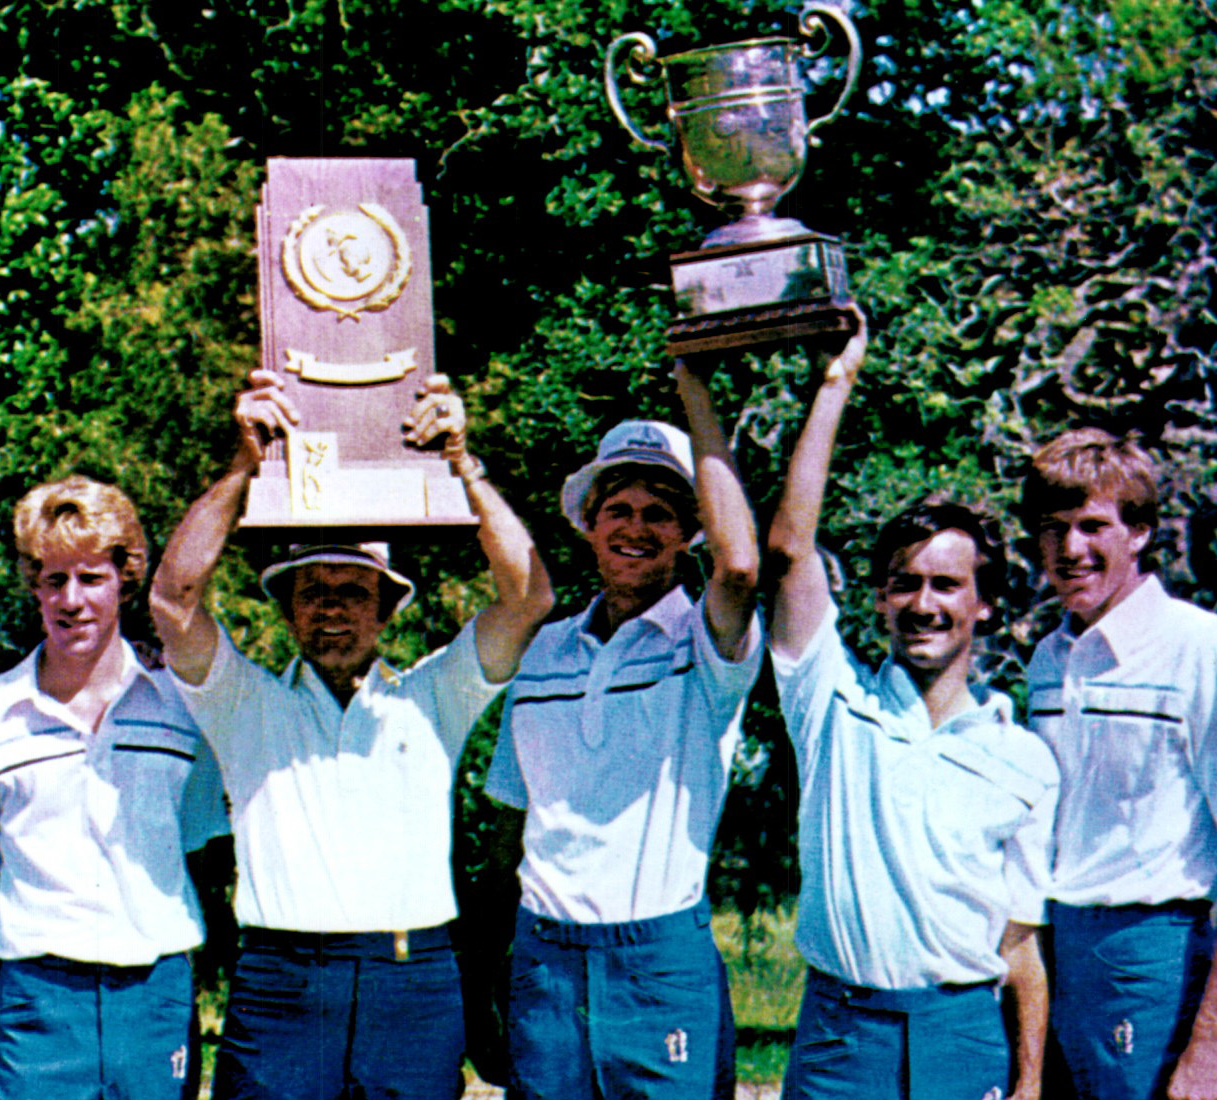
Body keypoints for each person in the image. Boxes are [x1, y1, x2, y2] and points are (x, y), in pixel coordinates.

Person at [151, 370, 553, 1100]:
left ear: (386, 608)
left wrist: (463, 464)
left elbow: (528, 598)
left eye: (353, 591)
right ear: (287, 609)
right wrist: (244, 467)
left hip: (413, 982)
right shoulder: (247, 704)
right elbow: (172, 598)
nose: (333, 609)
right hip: (279, 982)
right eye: (314, 591)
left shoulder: (434, 696)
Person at [765, 323, 1060, 1100]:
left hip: (963, 1035)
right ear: (878, 598)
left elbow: (1022, 946)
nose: (922, 604)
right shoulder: (831, 701)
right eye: (904, 583)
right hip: (840, 1036)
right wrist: (835, 384)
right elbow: (790, 549)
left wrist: (1029, 1084)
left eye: (946, 585)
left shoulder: (1024, 759)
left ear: (986, 605)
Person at [483, 363, 762, 1099]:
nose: (636, 527)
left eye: (661, 511)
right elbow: (517, 816)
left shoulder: (705, 645)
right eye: (620, 508)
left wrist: (695, 390)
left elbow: (739, 569)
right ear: (590, 524)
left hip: (659, 954)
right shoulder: (541, 651)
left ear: (688, 533)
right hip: (544, 955)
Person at [0, 475, 226, 1100]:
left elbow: (200, 851)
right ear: (34, 586)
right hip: (38, 999)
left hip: (155, 992)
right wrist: (21, 977)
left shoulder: (184, 713)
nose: (72, 599)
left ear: (125, 582)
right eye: (54, 579)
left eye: (91, 578)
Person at [1021, 428, 1217, 1100]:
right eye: (1053, 528)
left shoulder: (1200, 648)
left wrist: (1213, 1047)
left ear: (1139, 532)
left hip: (1153, 959)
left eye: (1093, 526)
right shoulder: (1047, 659)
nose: (1071, 549)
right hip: (1053, 953)